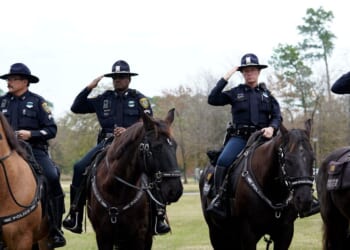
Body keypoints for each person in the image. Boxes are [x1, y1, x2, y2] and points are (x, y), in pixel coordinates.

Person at [62, 60, 171, 235]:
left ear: (129, 79)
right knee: (79, 167)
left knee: (151, 169)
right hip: (106, 143)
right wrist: (89, 87)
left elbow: (148, 124)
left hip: (132, 147)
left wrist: (128, 132)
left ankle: (159, 216)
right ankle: (75, 213)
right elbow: (76, 107)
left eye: (121, 77)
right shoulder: (104, 98)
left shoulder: (139, 99)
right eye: (115, 77)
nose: (118, 80)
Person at [206, 53, 282, 217]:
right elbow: (212, 99)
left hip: (264, 139)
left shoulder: (267, 95)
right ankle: (219, 199)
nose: (250, 74)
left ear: (258, 72)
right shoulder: (235, 92)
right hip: (241, 138)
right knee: (223, 160)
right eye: (246, 71)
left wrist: (272, 128)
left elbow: (277, 116)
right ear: (242, 73)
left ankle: (293, 199)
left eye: (253, 70)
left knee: (288, 158)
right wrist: (226, 76)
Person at [0, 63, 66, 248]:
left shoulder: (38, 102)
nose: (9, 82)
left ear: (25, 81)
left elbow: (51, 129)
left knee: (52, 176)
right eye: (8, 79)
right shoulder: (2, 102)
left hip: (33, 149)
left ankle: (54, 228)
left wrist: (31, 134)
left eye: (13, 79)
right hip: (7, 152)